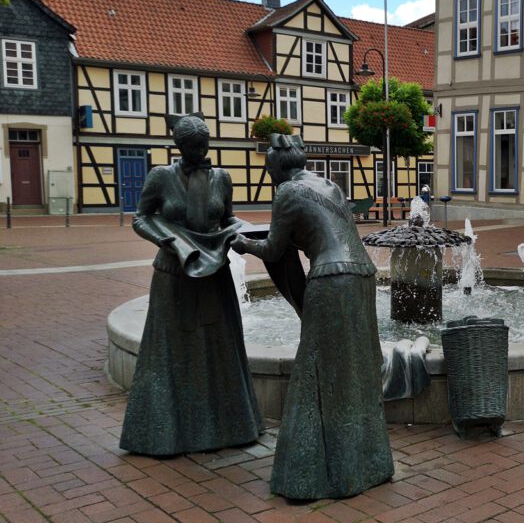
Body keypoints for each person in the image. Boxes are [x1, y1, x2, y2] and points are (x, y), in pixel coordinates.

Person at [232, 133, 394, 499]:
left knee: (317, 370)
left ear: (278, 165)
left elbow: (273, 250)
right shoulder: (330, 185)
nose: (267, 172)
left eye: (268, 165)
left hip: (331, 278)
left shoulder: (286, 193)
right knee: (357, 367)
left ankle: (309, 476)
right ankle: (370, 465)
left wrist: (242, 243)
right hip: (362, 275)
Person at [121, 114, 261, 456]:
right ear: (178, 146)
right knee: (172, 347)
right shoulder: (161, 177)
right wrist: (167, 240)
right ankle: (166, 432)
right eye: (192, 146)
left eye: (204, 144)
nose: (199, 151)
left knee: (217, 344)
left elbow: (226, 218)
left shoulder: (222, 178)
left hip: (213, 273)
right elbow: (141, 217)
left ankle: (228, 427)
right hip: (174, 273)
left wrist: (242, 232)